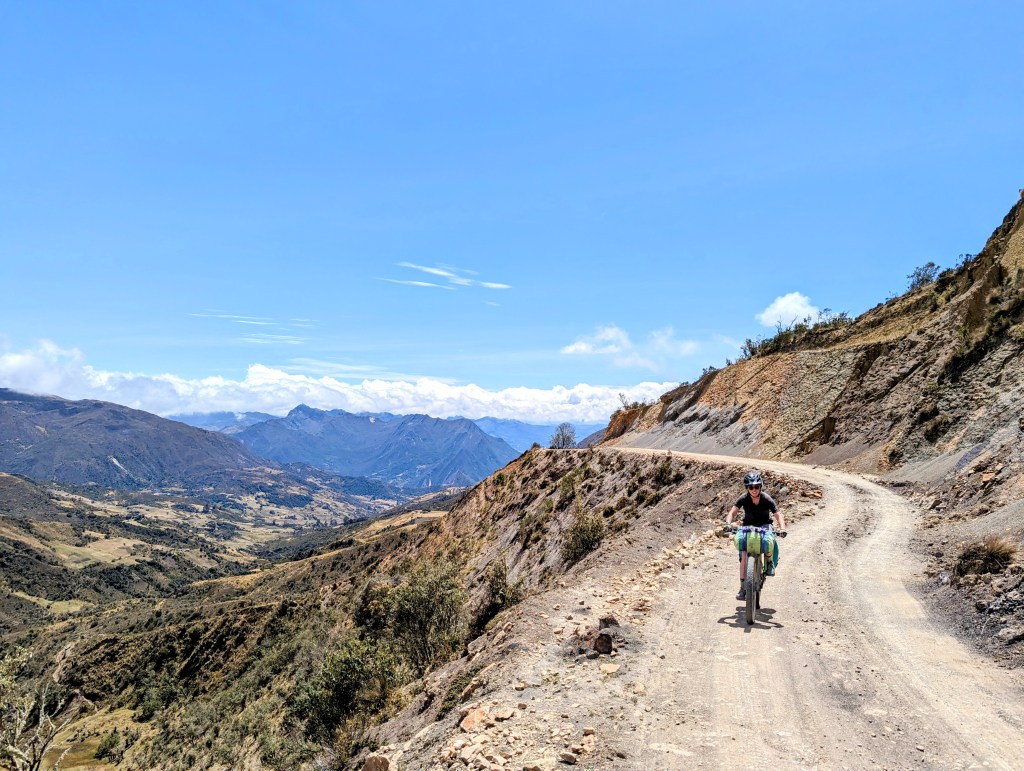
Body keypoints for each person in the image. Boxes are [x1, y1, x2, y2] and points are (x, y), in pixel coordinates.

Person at [725, 471, 786, 600]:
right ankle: (742, 588)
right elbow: (733, 511)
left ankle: (769, 562)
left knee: (770, 541)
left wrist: (782, 528)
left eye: (756, 486)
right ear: (747, 488)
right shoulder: (743, 498)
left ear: (760, 486)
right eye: (750, 487)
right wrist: (728, 523)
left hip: (764, 525)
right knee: (743, 554)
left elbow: (778, 514)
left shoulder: (766, 498)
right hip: (748, 526)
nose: (753, 489)